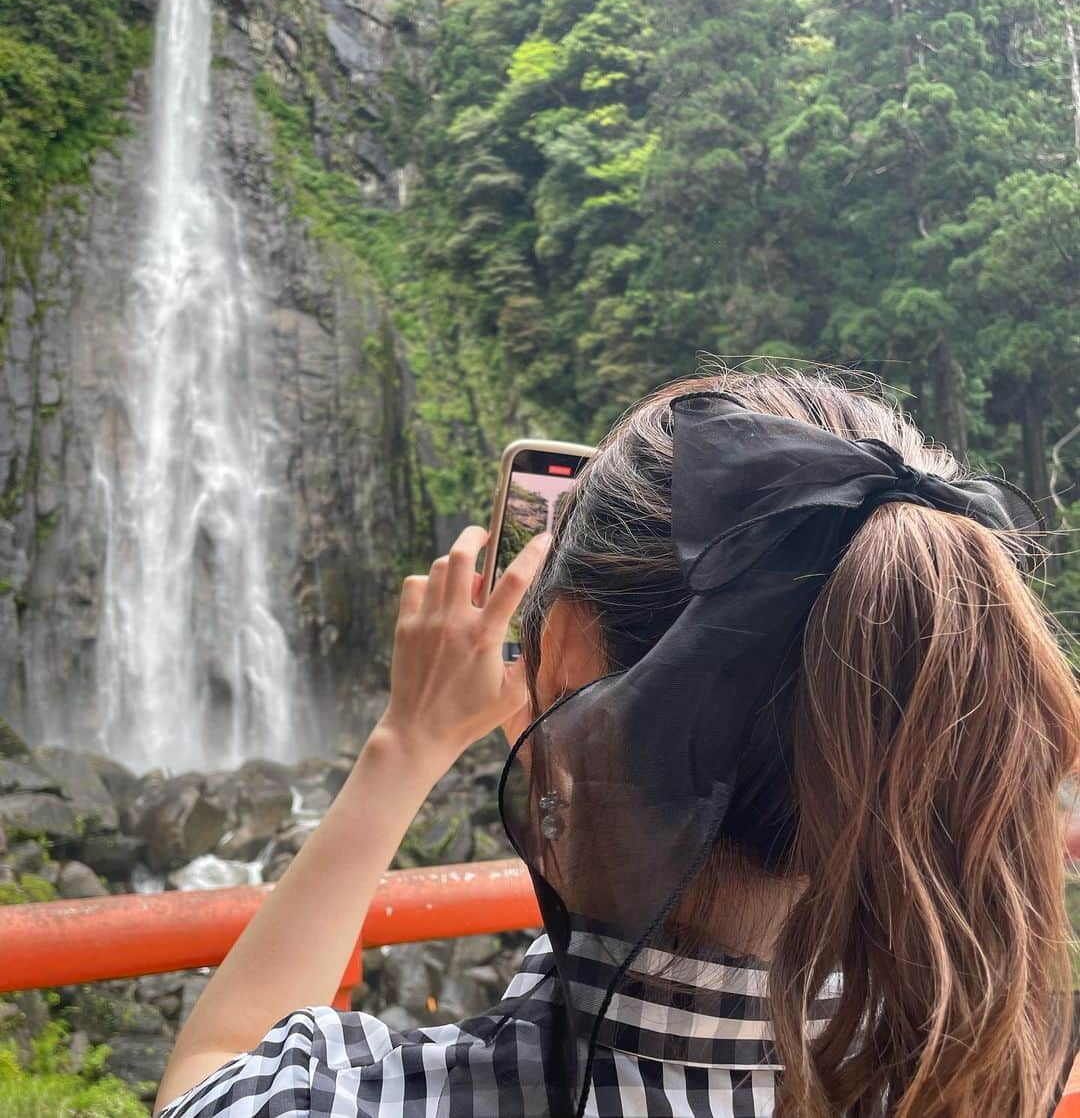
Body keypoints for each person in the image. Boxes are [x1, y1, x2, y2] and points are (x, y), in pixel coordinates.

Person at [153, 366, 1080, 1118]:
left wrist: (406, 742)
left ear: (557, 659)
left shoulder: (369, 1101)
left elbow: (213, 1070)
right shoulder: (972, 1070)